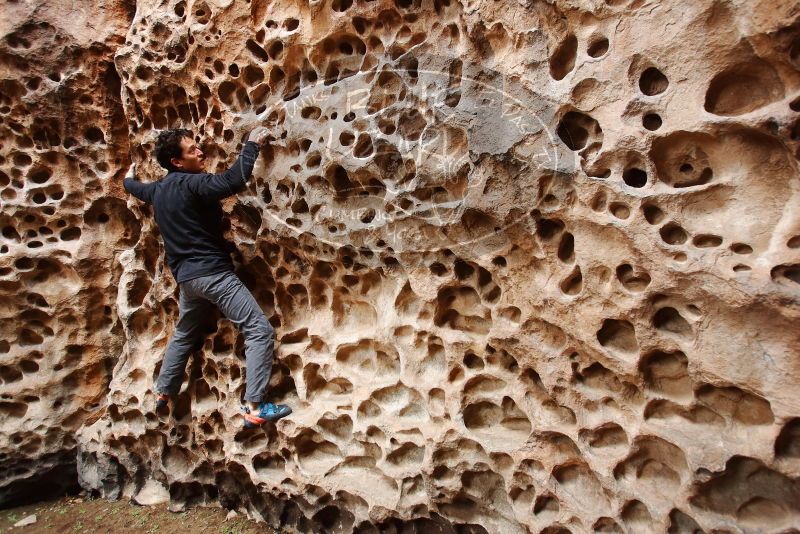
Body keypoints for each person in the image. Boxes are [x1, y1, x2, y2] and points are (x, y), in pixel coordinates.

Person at [122, 127, 291, 429]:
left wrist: (127, 179)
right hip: (213, 275)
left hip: (188, 281)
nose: (200, 152)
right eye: (191, 150)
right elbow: (233, 180)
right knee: (258, 330)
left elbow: (136, 189)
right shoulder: (193, 184)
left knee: (186, 331)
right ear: (176, 161)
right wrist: (251, 144)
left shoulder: (158, 190)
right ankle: (255, 406)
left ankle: (164, 390)